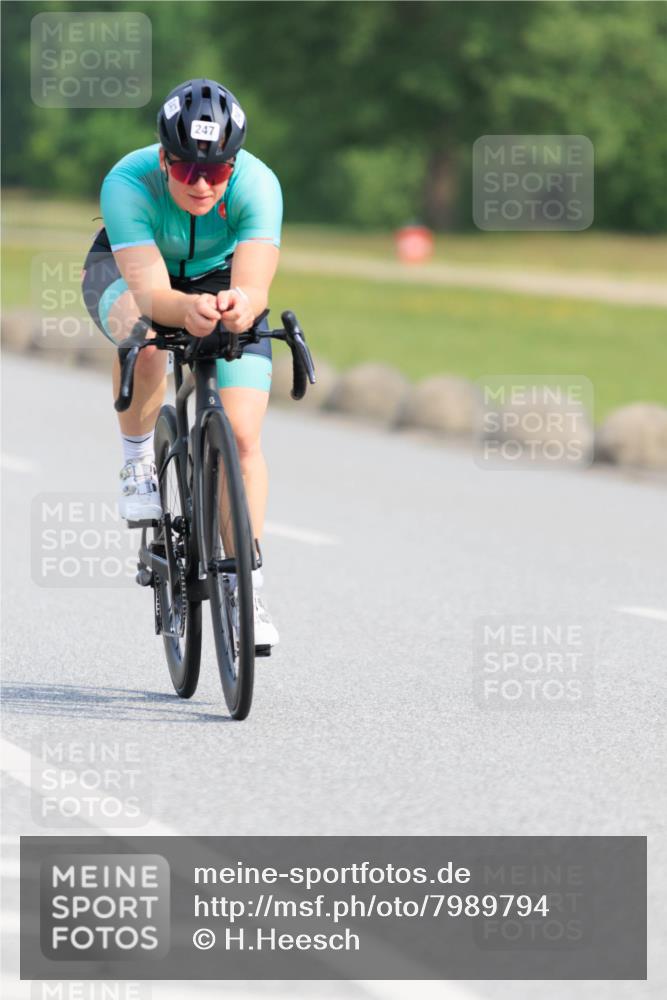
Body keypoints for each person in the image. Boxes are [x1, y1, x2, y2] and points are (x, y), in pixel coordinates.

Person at [81, 78, 281, 649]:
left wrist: (240, 307)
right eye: (187, 168)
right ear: (164, 158)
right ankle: (137, 460)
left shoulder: (260, 185)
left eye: (217, 171)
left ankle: (248, 587)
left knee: (242, 436)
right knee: (143, 341)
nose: (200, 184)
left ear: (235, 164)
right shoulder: (127, 181)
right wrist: (183, 309)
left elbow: (255, 284)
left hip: (219, 278)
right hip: (132, 276)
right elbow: (151, 297)